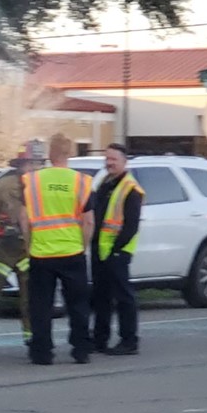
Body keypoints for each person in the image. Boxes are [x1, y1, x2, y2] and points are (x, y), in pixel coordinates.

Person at [22, 133, 95, 365]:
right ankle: (81, 350)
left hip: (41, 253)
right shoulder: (82, 182)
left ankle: (42, 352)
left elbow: (24, 219)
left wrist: (29, 244)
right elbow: (89, 221)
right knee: (78, 305)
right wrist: (82, 247)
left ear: (49, 154)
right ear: (69, 153)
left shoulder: (32, 180)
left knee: (40, 306)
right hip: (72, 252)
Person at [0, 140, 46, 346]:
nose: (35, 168)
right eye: (31, 163)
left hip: (31, 251)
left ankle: (34, 340)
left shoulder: (44, 187)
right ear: (20, 165)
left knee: (32, 298)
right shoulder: (1, 187)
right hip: (0, 250)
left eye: (39, 163)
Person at [91, 142, 144, 355]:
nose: (109, 163)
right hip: (100, 249)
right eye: (107, 159)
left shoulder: (131, 189)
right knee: (100, 297)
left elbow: (131, 225)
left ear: (124, 162)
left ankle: (129, 340)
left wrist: (116, 249)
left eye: (114, 159)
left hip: (118, 251)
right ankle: (100, 339)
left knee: (123, 297)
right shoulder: (105, 183)